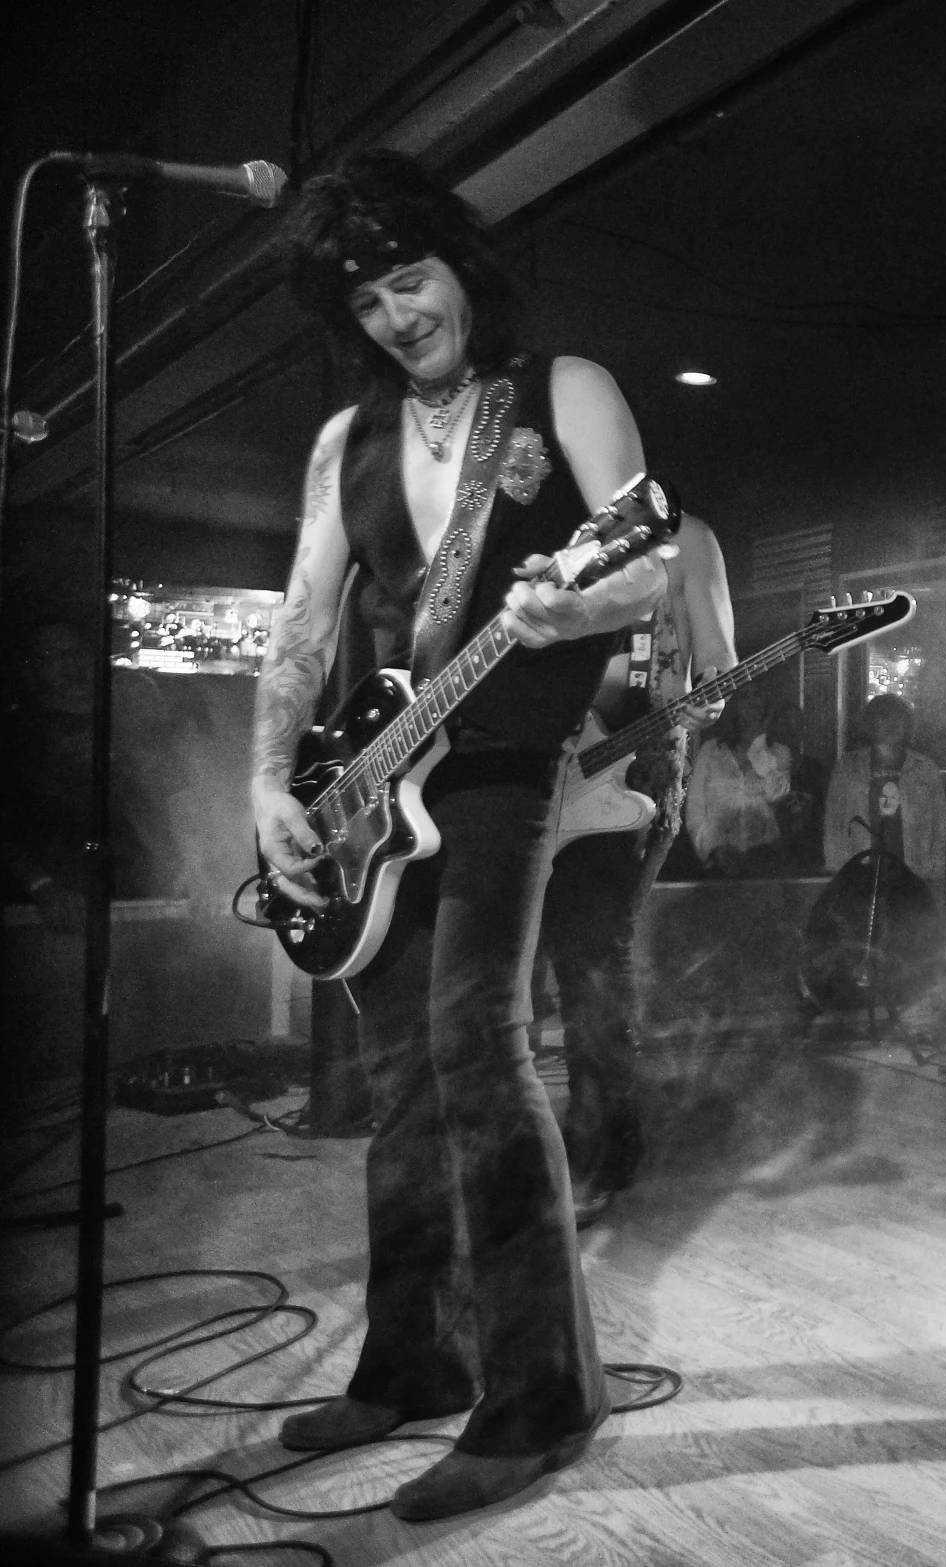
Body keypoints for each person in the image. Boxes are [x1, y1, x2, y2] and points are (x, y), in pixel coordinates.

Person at [251, 149, 667, 1522]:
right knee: (402, 1080)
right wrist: (272, 787)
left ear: (459, 265)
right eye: (365, 299)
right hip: (375, 779)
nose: (396, 313)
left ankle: (541, 1393)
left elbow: (651, 557)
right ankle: (410, 1358)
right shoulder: (345, 440)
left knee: (478, 1046)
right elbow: (308, 625)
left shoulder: (565, 390)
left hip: (501, 764)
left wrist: (573, 608)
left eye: (409, 278)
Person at [538, 513, 736, 1227]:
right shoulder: (565, 534)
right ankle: (573, 1145)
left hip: (636, 770)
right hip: (544, 766)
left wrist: (713, 682)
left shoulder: (689, 541)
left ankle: (592, 1152)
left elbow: (715, 651)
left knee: (591, 959)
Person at [822, 693, 946, 888]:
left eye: (898, 717)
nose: (892, 723)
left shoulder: (925, 769)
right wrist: (839, 874)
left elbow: (940, 825)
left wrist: (936, 873)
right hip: (860, 878)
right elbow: (834, 824)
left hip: (915, 878)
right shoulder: (847, 768)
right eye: (883, 716)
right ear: (869, 723)